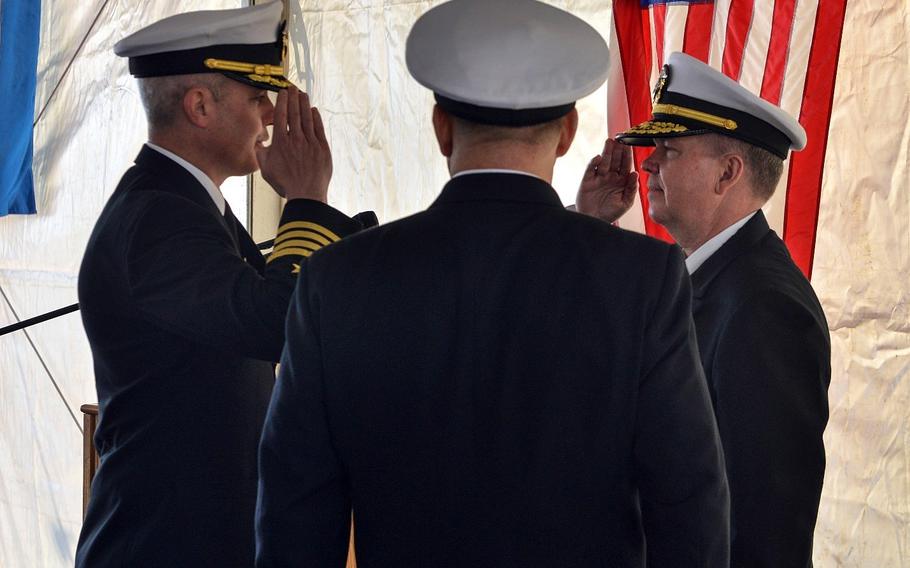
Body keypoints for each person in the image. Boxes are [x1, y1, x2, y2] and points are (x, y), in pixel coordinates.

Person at [255, 2, 730, 566]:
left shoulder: (335, 280)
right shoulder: (643, 278)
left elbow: (294, 519)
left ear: (440, 127)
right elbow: (687, 505)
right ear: (566, 134)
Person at [75, 2, 374, 566]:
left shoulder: (187, 205)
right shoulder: (158, 216)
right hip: (163, 544)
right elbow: (277, 324)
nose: (268, 116)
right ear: (200, 105)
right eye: (258, 96)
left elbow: (278, 299)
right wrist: (307, 200)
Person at [580, 52, 831, 567]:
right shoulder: (710, 276)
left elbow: (763, 530)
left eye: (668, 148)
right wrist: (589, 225)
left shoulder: (764, 309)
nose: (647, 162)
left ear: (728, 173)